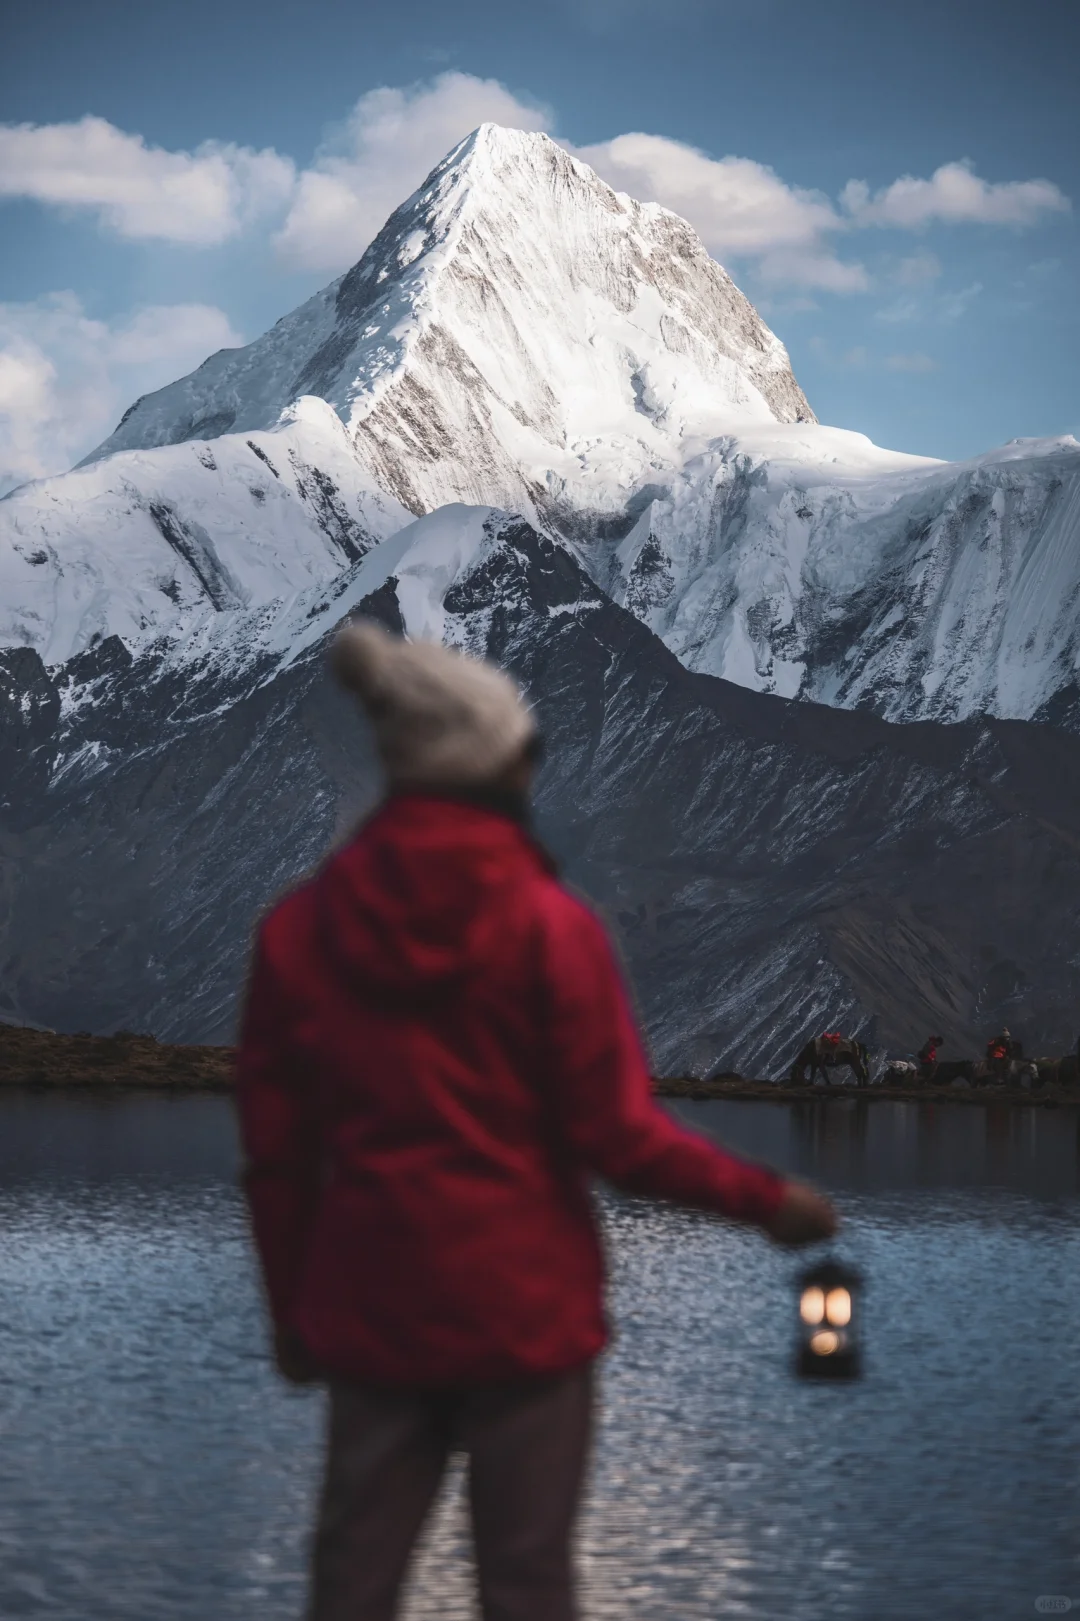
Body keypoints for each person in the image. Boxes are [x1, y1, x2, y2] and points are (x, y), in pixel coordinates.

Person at [235, 622, 838, 1621]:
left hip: (368, 1311)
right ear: (503, 764)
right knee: (526, 1584)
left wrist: (292, 1314)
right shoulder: (554, 930)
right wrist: (770, 1201)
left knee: (351, 1579)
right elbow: (619, 1138)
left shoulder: (298, 931)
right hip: (526, 1314)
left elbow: (276, 1157)